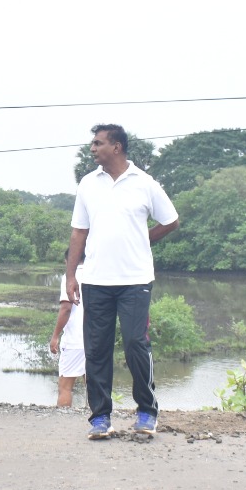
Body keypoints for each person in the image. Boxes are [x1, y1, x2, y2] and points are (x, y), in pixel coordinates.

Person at [65, 124, 180, 440]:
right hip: (95, 280)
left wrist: (143, 239)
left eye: (98, 143)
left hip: (135, 279)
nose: (92, 148)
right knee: (96, 349)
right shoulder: (88, 184)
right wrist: (71, 275)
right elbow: (79, 232)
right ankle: (100, 418)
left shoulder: (144, 183)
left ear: (116, 147)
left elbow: (171, 221)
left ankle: (147, 412)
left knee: (135, 344)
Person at [48, 268, 84, 408]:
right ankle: (97, 417)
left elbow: (66, 308)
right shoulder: (97, 273)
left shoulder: (70, 276)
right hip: (96, 339)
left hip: (75, 340)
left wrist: (55, 336)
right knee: (94, 385)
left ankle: (63, 417)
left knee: (65, 387)